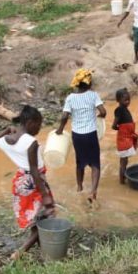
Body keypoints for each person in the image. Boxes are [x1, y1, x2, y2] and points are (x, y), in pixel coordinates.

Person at [0, 105, 54, 261]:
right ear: (31, 122)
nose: (39, 128)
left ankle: (41, 247)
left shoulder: (7, 139)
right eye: (38, 125)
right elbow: (34, 170)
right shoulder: (31, 142)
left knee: (35, 218)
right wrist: (45, 195)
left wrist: (6, 130)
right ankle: (21, 252)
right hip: (35, 182)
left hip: (20, 182)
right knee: (48, 216)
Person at [56, 69, 106, 203]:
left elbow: (64, 116)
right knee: (95, 163)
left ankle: (79, 187)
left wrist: (60, 130)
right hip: (90, 134)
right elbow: (103, 111)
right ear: (89, 84)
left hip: (77, 135)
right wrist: (100, 116)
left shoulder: (70, 98)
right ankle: (93, 191)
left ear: (77, 84)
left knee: (80, 162)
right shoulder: (93, 95)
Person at [113, 88, 138, 185]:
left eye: (129, 100)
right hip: (123, 139)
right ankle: (121, 182)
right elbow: (114, 125)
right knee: (123, 162)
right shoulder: (119, 110)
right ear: (118, 100)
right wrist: (122, 130)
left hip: (127, 137)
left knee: (125, 160)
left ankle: (123, 178)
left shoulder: (124, 109)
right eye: (125, 100)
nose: (128, 102)